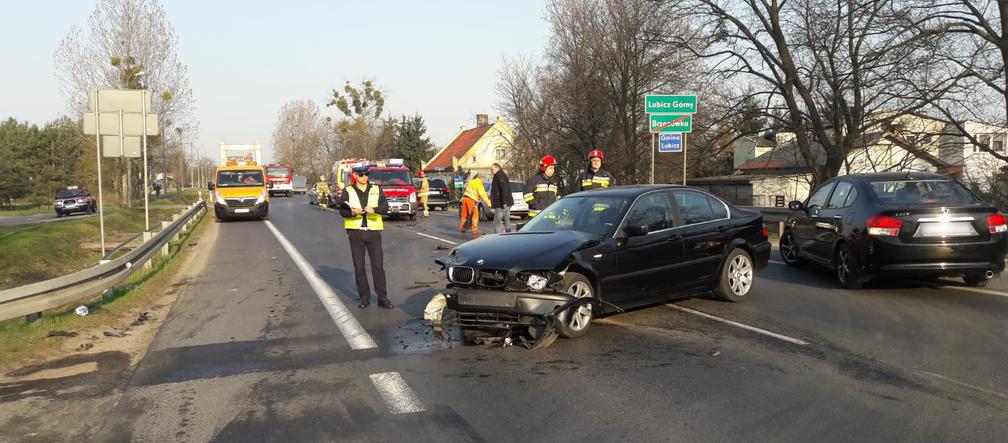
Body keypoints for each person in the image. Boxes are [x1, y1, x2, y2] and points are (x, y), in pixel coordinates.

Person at [338, 166, 393, 309]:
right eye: (361, 174)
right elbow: (342, 211)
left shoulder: (376, 189)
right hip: (355, 232)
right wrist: (353, 213)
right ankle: (364, 297)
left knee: (378, 266)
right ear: (355, 175)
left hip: (373, 232)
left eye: (366, 174)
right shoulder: (348, 191)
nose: (364, 177)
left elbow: (385, 207)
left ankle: (382, 298)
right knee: (359, 267)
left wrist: (374, 210)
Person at [489, 163, 514, 233]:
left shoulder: (500, 176)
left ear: (497, 168)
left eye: (492, 169)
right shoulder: (499, 175)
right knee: (506, 219)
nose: (492, 171)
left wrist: (504, 202)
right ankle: (509, 235)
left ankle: (497, 239)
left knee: (497, 222)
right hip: (504, 202)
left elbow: (504, 189)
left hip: (501, 203)